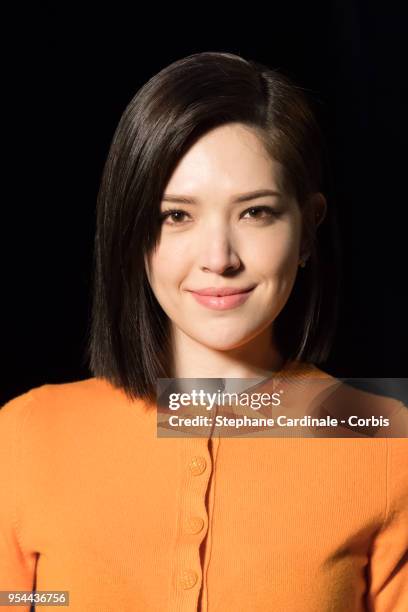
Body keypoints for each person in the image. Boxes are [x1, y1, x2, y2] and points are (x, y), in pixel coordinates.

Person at [0, 51, 407, 612]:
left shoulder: (385, 440)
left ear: (308, 229)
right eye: (176, 215)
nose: (218, 258)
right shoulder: (25, 436)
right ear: (132, 233)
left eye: (256, 212)